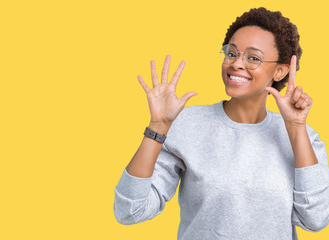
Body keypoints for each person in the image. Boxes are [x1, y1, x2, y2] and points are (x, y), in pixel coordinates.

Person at [113, 7, 329, 240]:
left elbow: (315, 220)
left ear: (280, 71)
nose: (236, 63)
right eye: (232, 53)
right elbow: (130, 211)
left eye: (253, 58)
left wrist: (296, 128)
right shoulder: (187, 125)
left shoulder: (303, 137)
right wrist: (157, 127)